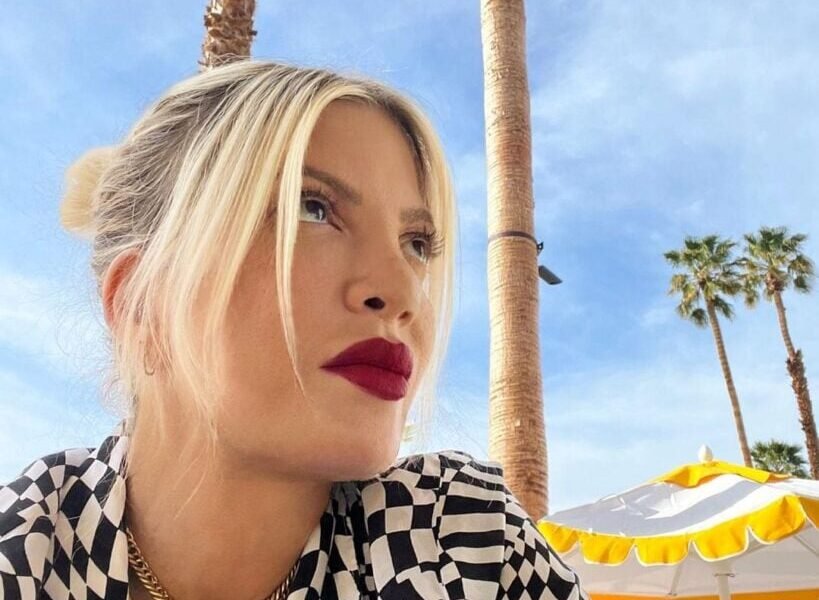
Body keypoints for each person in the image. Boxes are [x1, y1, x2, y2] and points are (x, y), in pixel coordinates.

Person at [0, 60, 586, 600]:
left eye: (416, 244)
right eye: (313, 209)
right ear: (140, 302)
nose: (404, 294)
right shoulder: (23, 553)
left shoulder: (467, 548)